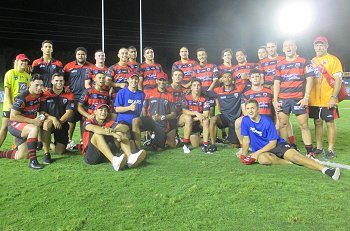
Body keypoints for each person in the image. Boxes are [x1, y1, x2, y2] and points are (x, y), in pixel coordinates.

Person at [239, 99, 340, 181]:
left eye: (252, 108)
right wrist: (244, 155)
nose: (250, 111)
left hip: (277, 145)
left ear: (258, 109)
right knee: (263, 160)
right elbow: (246, 140)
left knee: (297, 158)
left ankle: (327, 170)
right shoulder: (245, 120)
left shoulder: (266, 121)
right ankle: (287, 162)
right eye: (248, 108)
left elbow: (273, 143)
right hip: (264, 151)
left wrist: (256, 153)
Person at [273, 39, 315, 158]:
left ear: (296, 47)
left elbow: (310, 79)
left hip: (299, 98)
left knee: (304, 125)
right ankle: (285, 149)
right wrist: (275, 100)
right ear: (283, 49)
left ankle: (309, 152)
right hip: (283, 99)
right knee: (282, 124)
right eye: (286, 45)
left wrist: (306, 97)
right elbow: (276, 83)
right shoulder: (279, 64)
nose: (288, 47)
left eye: (291, 45)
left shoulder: (305, 61)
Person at [82, 103, 146, 171]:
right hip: (92, 156)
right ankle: (114, 161)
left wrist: (115, 130)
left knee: (121, 132)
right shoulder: (88, 121)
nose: (103, 112)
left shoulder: (108, 122)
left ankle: (130, 158)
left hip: (105, 155)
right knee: (97, 134)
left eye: (105, 110)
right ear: (95, 112)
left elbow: (125, 127)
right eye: (101, 110)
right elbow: (94, 129)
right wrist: (113, 134)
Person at [309, 36, 343, 159]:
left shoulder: (334, 60)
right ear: (314, 47)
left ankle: (330, 149)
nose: (319, 47)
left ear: (326, 46)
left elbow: (338, 80)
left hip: (329, 98)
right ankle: (319, 147)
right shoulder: (312, 61)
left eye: (321, 45)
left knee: (329, 123)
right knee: (317, 122)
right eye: (317, 45)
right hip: (314, 100)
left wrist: (334, 97)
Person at [0, 74, 44, 169]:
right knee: (34, 128)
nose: (39, 87)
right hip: (15, 125)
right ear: (30, 84)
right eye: (36, 85)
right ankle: (33, 161)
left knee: (22, 156)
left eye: (41, 85)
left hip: (27, 126)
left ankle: (1, 154)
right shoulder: (22, 97)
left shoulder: (40, 95)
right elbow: (13, 116)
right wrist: (32, 121)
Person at [259, 41, 297, 149]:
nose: (270, 49)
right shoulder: (262, 62)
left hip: (281, 91)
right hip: (268, 92)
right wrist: (267, 86)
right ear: (266, 49)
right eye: (268, 47)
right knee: (272, 117)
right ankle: (277, 141)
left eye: (272, 46)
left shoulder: (282, 59)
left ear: (276, 47)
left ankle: (291, 142)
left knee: (283, 118)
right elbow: (261, 79)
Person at [132, 72, 176, 151]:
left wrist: (161, 117)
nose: (162, 82)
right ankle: (138, 147)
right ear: (156, 81)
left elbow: (173, 114)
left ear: (167, 82)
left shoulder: (170, 96)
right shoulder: (149, 93)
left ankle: (153, 141)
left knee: (159, 149)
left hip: (162, 125)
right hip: (150, 120)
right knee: (135, 121)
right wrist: (146, 119)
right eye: (160, 80)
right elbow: (144, 108)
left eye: (164, 80)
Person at [235, 69, 274, 155]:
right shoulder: (246, 94)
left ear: (261, 78)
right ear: (250, 79)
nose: (255, 78)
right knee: (238, 122)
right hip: (252, 118)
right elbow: (244, 110)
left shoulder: (269, 91)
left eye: (257, 76)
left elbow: (274, 108)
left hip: (266, 119)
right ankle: (244, 147)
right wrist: (252, 119)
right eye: (253, 77)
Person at [206, 71, 246, 153]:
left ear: (232, 79)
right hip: (225, 117)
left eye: (229, 77)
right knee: (213, 119)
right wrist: (216, 81)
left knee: (235, 146)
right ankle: (213, 144)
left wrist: (246, 78)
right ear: (222, 79)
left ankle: (231, 139)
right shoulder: (218, 90)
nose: (227, 79)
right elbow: (208, 92)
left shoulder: (239, 88)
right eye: (225, 77)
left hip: (236, 119)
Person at [40, 73, 74, 163]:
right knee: (47, 123)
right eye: (56, 81)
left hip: (62, 124)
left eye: (61, 81)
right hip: (50, 122)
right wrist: (54, 119)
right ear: (52, 82)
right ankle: (46, 154)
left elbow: (69, 112)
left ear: (64, 82)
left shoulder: (69, 94)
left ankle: (46, 143)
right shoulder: (45, 94)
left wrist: (60, 121)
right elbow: (42, 112)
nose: (59, 82)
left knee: (60, 151)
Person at [63, 47, 93, 149]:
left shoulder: (91, 67)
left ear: (86, 56)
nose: (81, 56)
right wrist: (65, 87)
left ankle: (82, 140)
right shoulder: (69, 66)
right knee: (71, 120)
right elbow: (63, 79)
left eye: (83, 54)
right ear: (76, 55)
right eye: (79, 54)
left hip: (86, 98)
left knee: (83, 119)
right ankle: (68, 141)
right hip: (73, 97)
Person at [0, 54, 31, 148]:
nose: (24, 63)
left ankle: (16, 148)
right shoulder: (10, 73)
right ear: (17, 62)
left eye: (26, 61)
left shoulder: (27, 76)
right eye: (22, 61)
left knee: (17, 127)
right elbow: (7, 90)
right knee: (4, 128)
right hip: (10, 106)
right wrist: (10, 104)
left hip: (21, 107)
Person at [114, 73, 145, 150]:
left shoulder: (141, 94)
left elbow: (143, 108)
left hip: (136, 122)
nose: (134, 81)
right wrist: (129, 108)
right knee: (122, 135)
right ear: (128, 80)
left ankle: (139, 147)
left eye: (136, 79)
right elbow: (117, 109)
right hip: (124, 121)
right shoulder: (122, 92)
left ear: (138, 81)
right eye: (132, 78)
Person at [178, 79, 210, 153]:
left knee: (206, 120)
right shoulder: (186, 97)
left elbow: (205, 114)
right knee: (188, 118)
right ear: (191, 87)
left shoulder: (205, 98)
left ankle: (205, 145)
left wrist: (195, 118)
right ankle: (185, 145)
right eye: (194, 85)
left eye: (198, 85)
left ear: (201, 87)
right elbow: (184, 111)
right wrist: (196, 113)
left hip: (196, 121)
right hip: (186, 120)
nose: (196, 87)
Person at [192, 48, 219, 117]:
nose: (201, 56)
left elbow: (215, 80)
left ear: (206, 55)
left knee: (212, 110)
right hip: (200, 92)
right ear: (197, 57)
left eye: (203, 54)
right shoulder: (195, 68)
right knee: (201, 112)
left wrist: (209, 90)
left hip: (210, 91)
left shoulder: (213, 66)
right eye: (199, 55)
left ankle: (212, 127)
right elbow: (193, 81)